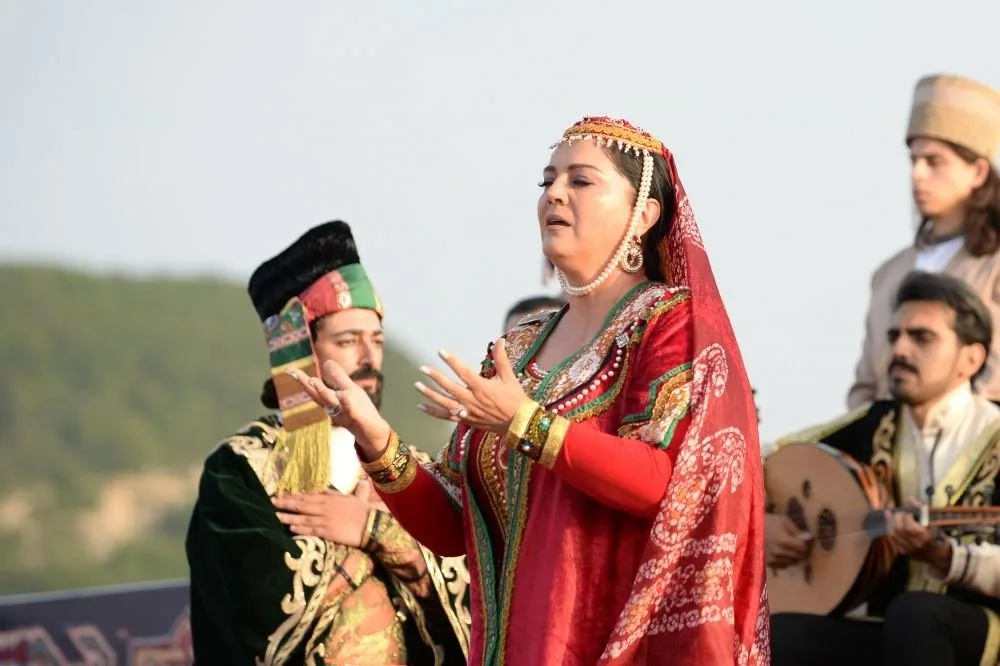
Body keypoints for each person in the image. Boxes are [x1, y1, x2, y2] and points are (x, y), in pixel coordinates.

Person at [289, 117, 769, 665]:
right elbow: (452, 525)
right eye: (547, 180)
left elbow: (668, 483)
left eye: (580, 180)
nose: (555, 194)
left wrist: (526, 423)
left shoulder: (669, 324)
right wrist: (374, 436)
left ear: (645, 214)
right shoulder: (518, 347)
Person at [185, 221, 470, 666]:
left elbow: (470, 593)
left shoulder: (408, 467)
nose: (369, 357)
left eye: (376, 340)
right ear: (300, 350)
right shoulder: (241, 470)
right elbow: (255, 612)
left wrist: (371, 529)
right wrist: (392, 553)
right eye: (347, 340)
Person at [769, 271, 1000, 666]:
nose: (900, 350)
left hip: (978, 630)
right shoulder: (872, 424)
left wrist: (946, 557)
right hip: (890, 628)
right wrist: (763, 525)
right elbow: (752, 461)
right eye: (894, 336)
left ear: (971, 359)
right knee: (782, 635)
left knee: (916, 615)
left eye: (921, 337)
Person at [849, 73, 1000, 409]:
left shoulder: (993, 269)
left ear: (978, 172)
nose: (917, 174)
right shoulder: (888, 274)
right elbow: (865, 388)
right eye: (914, 161)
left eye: (934, 162)